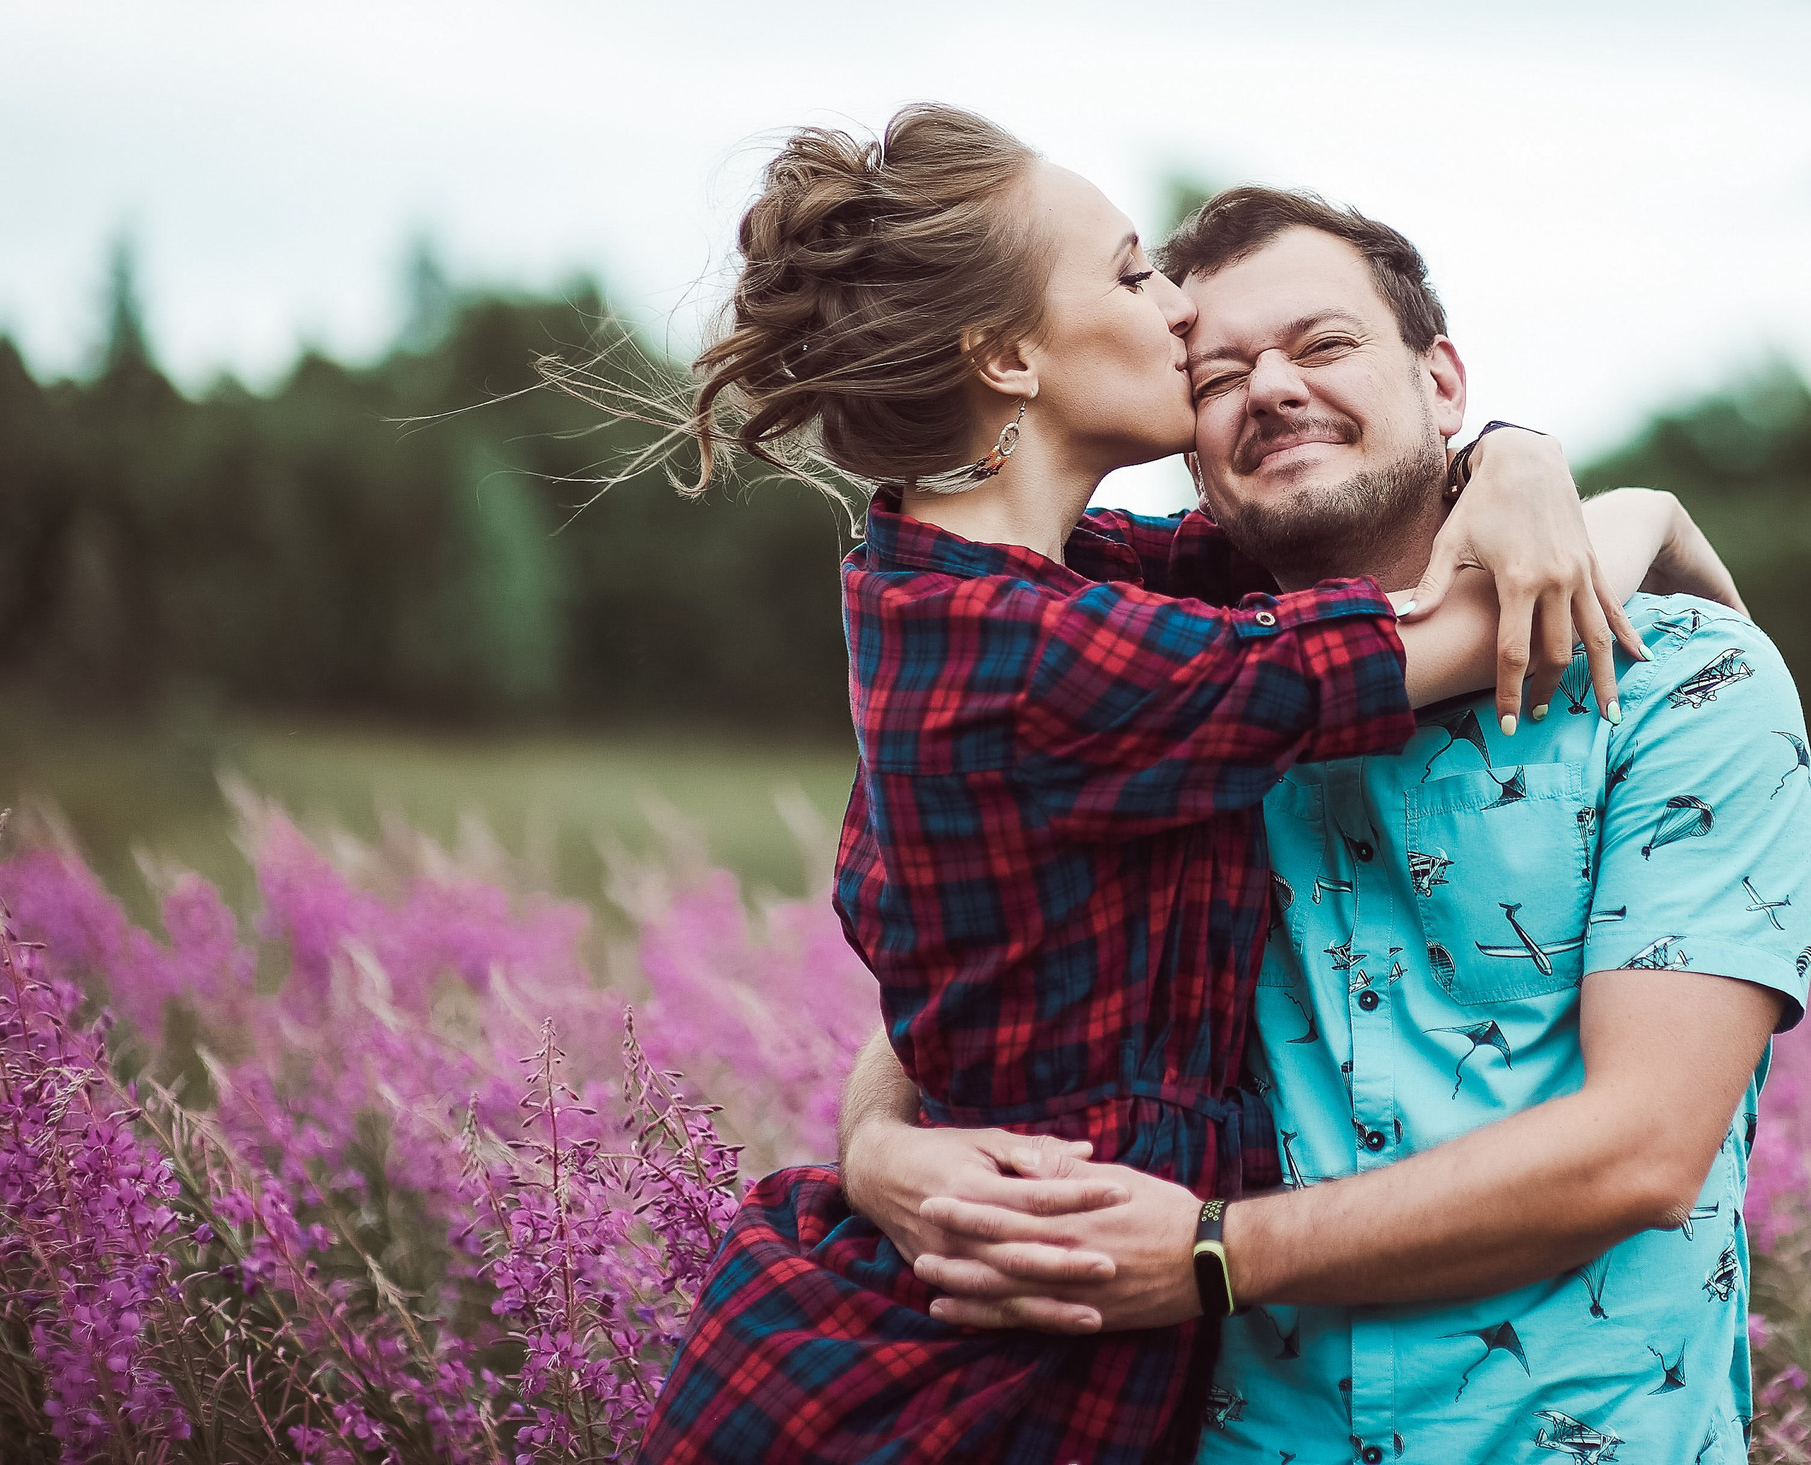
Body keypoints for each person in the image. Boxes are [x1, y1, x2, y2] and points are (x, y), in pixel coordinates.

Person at [631, 107, 1732, 1465]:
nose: (1178, 314)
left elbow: (971, 964)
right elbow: (1444, 628)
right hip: (966, 1379)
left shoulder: (1013, 575)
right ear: (1007, 355)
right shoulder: (1036, 651)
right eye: (1135, 271)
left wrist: (1512, 451)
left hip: (1057, 1327)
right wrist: (1641, 516)